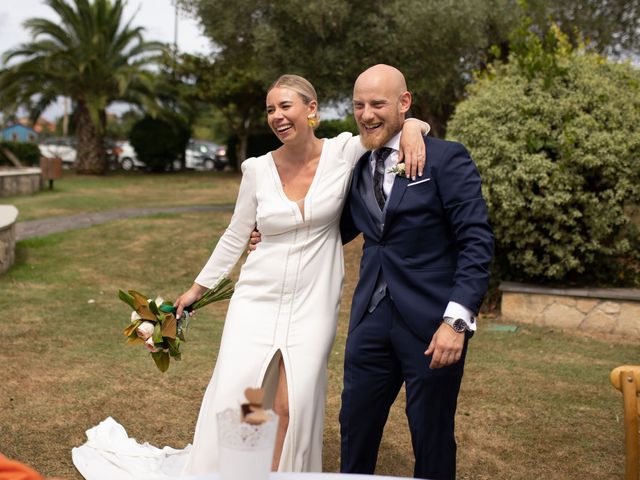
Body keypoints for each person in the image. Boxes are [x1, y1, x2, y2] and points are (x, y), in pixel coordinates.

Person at [71, 74, 429, 478]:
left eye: (285, 106)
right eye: (270, 110)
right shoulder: (257, 170)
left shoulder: (344, 152)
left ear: (311, 110)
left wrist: (415, 126)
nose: (277, 116)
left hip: (314, 304)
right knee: (248, 400)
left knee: (293, 404)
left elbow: (389, 130)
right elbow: (235, 234)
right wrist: (194, 290)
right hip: (256, 299)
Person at [338, 64, 494, 480]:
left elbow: (476, 241)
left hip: (431, 324)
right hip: (370, 320)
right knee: (354, 427)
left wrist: (456, 323)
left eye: (378, 103)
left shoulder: (446, 158)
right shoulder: (355, 166)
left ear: (404, 103)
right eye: (359, 105)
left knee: (431, 433)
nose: (367, 113)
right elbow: (336, 230)